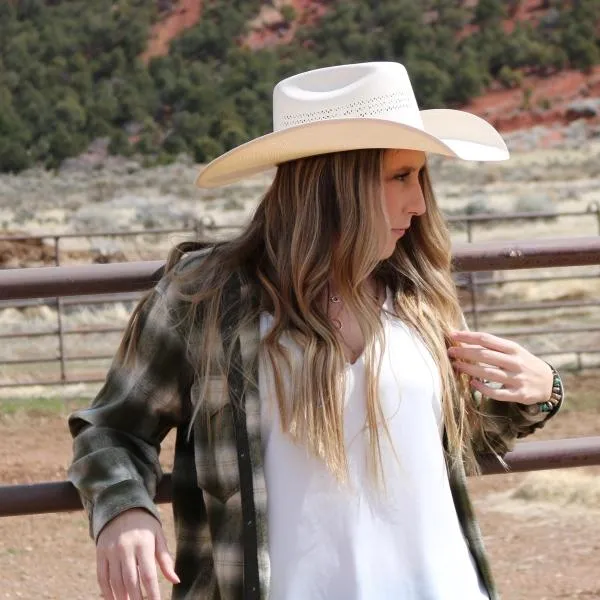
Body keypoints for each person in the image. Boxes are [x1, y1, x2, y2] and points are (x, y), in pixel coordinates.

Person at [68, 62, 564, 600]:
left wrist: (541, 390)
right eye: (400, 176)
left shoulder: (422, 300)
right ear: (333, 182)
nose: (419, 202)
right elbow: (113, 429)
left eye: (420, 176)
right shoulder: (206, 301)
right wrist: (124, 510)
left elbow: (460, 443)